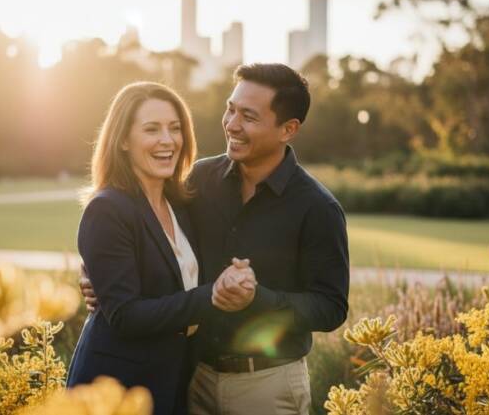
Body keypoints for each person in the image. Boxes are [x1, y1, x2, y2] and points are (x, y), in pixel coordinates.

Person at [81, 64, 350, 415]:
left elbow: (331, 308)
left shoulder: (317, 207)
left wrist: (258, 299)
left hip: (266, 386)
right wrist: (96, 275)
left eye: (248, 117)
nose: (232, 124)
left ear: (288, 129)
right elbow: (139, 233)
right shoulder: (197, 181)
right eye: (231, 109)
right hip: (192, 378)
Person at [67, 81, 255, 415]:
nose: (167, 141)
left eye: (175, 128)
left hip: (172, 380)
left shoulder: (181, 204)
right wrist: (213, 296)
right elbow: (126, 315)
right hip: (115, 388)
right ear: (123, 140)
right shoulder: (108, 209)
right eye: (152, 129)